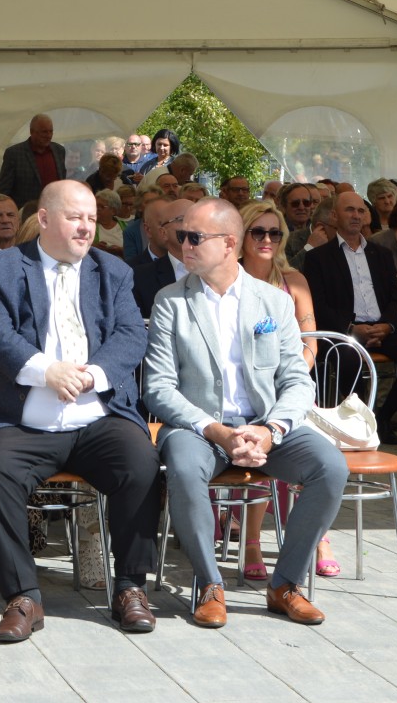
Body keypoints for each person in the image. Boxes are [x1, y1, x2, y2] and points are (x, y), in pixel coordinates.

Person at [0, 180, 162, 640]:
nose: (86, 227)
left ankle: (130, 587)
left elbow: (131, 334)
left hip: (96, 417)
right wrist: (45, 370)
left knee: (141, 462)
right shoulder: (2, 267)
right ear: (45, 219)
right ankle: (23, 596)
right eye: (75, 217)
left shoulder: (112, 270)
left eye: (91, 218)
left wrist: (93, 375)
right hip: (20, 418)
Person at [144, 198, 346, 628]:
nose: (184, 244)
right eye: (181, 235)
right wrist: (216, 430)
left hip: (265, 424)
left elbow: (297, 380)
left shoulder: (272, 301)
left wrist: (271, 429)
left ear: (229, 243)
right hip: (198, 428)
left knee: (330, 467)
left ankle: (285, 583)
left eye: (194, 237)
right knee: (183, 467)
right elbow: (158, 387)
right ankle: (209, 584)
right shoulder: (171, 301)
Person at [233, 201, 338, 580]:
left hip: (290, 388)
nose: (267, 239)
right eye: (258, 232)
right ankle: (251, 542)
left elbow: (311, 343)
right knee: (257, 443)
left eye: (274, 233)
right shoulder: (229, 281)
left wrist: (290, 382)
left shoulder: (294, 280)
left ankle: (319, 539)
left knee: (310, 452)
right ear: (241, 236)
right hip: (244, 393)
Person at [302, 191, 397, 444]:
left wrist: (387, 325)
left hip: (381, 327)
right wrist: (350, 328)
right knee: (348, 360)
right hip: (344, 331)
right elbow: (318, 304)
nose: (356, 216)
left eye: (361, 211)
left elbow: (396, 297)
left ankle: (382, 417)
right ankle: (359, 420)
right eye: (349, 210)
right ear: (334, 216)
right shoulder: (318, 257)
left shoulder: (381, 254)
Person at [134, 198, 193, 317]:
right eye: (181, 219)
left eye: (197, 219)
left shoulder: (217, 270)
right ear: (163, 233)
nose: (192, 225)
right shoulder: (140, 277)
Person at [0, 114, 66, 207]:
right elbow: (3, 192)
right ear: (32, 132)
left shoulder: (59, 151)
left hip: (54, 209)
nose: (48, 135)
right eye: (44, 132)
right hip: (25, 212)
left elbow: (62, 182)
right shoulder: (14, 154)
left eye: (51, 131)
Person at [93, 188, 125, 255]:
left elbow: (133, 252)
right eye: (96, 205)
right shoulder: (90, 226)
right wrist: (94, 247)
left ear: (113, 211)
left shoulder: (125, 227)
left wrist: (120, 250)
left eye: (101, 206)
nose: (97, 209)